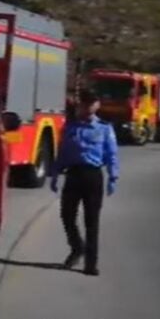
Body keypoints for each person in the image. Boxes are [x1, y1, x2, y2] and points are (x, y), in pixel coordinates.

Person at [50, 89, 119, 276]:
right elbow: (62, 151)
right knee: (67, 215)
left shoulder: (104, 128)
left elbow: (111, 155)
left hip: (93, 176)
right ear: (80, 105)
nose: (88, 106)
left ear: (97, 106)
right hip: (73, 174)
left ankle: (91, 263)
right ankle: (77, 247)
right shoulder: (71, 127)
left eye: (92, 103)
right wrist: (55, 174)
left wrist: (113, 177)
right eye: (85, 103)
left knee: (91, 221)